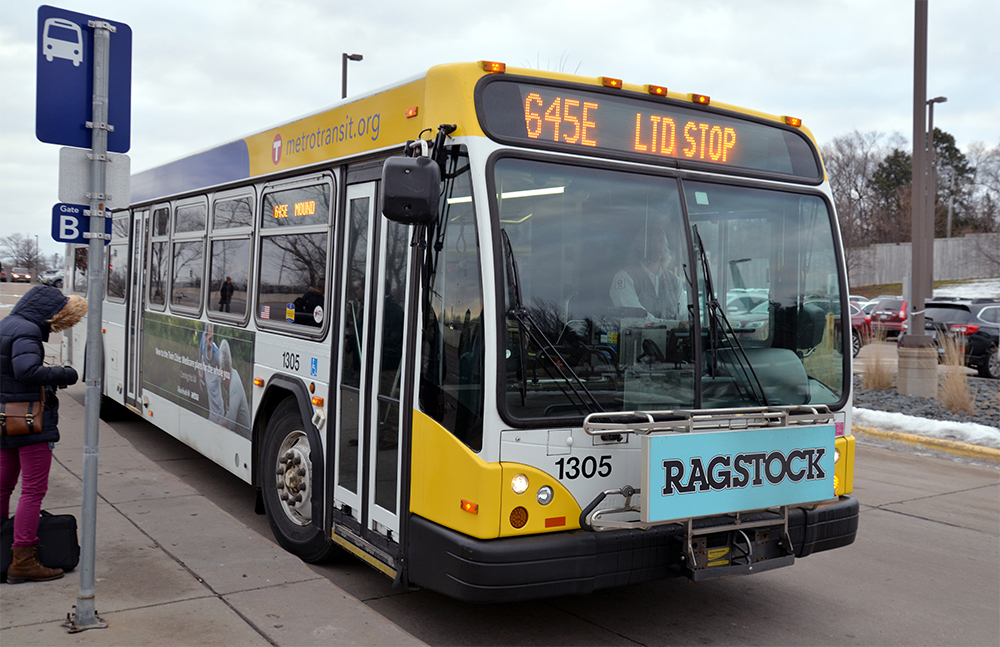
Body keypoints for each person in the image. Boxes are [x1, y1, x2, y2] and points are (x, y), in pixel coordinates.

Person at [1, 286, 86, 583]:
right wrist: (64, 374)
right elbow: (27, 371)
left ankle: (2, 549)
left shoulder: (7, 325)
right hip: (29, 422)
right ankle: (23, 558)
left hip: (4, 419)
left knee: (3, 486)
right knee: (33, 490)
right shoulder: (27, 332)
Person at [610, 225, 685, 322]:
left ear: (666, 248)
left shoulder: (675, 281)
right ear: (638, 246)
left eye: (661, 241)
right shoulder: (624, 278)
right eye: (651, 241)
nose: (657, 246)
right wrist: (674, 325)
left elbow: (684, 317)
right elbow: (635, 318)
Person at [218, 339, 251, 438]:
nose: (220, 377)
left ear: (224, 370)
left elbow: (229, 423)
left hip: (244, 439)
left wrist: (213, 425)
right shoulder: (230, 376)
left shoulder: (234, 385)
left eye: (220, 370)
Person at [198, 323, 226, 425]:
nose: (210, 343)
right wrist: (200, 376)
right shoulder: (203, 340)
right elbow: (200, 355)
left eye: (212, 339)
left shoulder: (217, 354)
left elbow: (225, 376)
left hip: (218, 405)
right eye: (209, 339)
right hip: (209, 381)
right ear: (205, 337)